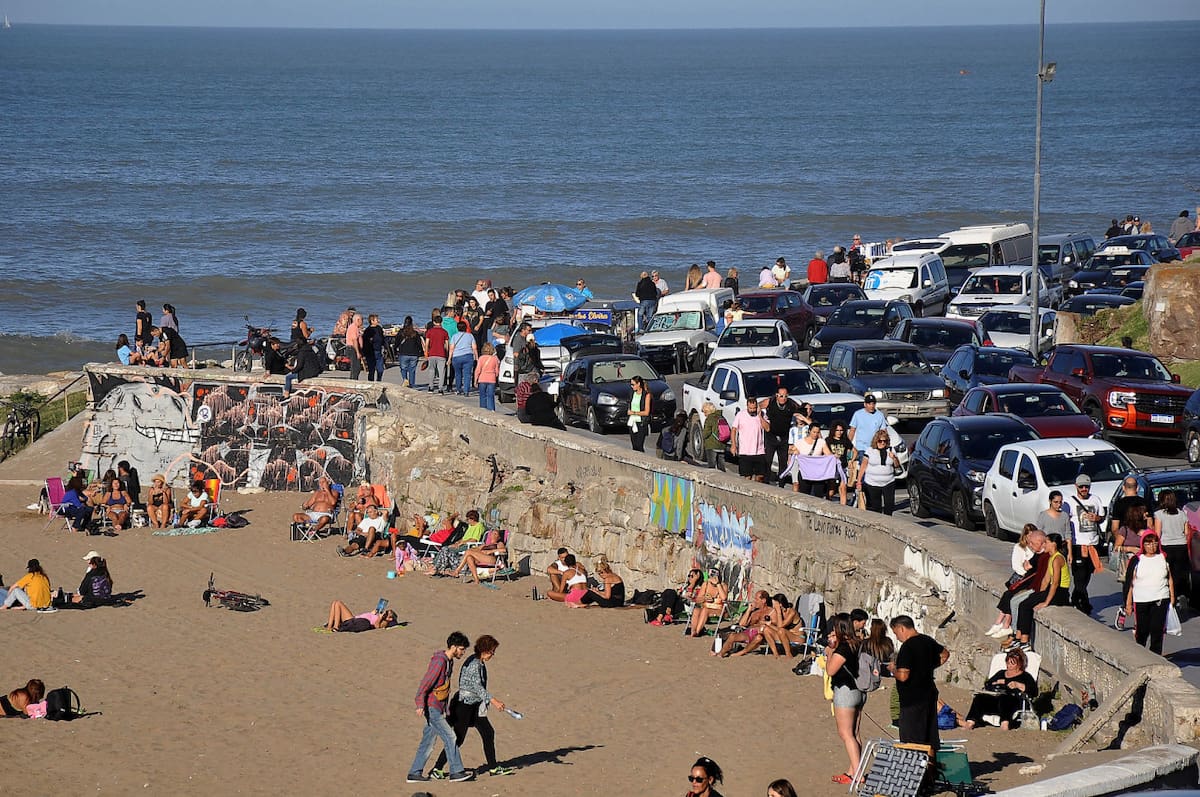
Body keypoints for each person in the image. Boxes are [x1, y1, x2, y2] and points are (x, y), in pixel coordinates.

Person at [430, 635, 513, 778]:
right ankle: (437, 768)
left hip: (474, 706)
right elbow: (478, 688)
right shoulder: (474, 664)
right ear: (484, 650)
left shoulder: (478, 662)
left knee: (488, 732)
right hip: (464, 707)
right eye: (492, 651)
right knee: (457, 739)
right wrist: (494, 701)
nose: (493, 654)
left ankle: (493, 768)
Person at [406, 631, 475, 783]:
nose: (463, 652)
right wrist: (420, 703)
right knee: (450, 736)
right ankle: (456, 771)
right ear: (453, 647)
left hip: (437, 707)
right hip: (432, 707)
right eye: (461, 649)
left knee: (428, 742)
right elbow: (426, 682)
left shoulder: (449, 662)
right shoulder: (440, 662)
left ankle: (414, 773)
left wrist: (445, 709)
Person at [891, 614, 949, 747]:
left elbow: (903, 676)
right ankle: (930, 760)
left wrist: (893, 670)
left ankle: (916, 760)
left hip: (912, 699)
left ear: (901, 628)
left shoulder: (907, 647)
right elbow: (945, 654)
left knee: (912, 739)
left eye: (896, 633)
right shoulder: (927, 640)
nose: (897, 637)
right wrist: (929, 666)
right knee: (929, 737)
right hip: (928, 694)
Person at [824, 614, 865, 785]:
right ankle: (852, 771)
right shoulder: (858, 643)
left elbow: (831, 670)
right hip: (859, 690)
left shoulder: (843, 648)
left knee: (846, 734)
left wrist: (829, 653)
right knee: (855, 733)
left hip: (845, 691)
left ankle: (858, 774)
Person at [1012, 532, 1069, 651]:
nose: (1044, 545)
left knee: (1025, 606)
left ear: (1053, 544)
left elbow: (1055, 583)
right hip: (1051, 590)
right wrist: (1038, 595)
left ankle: (1024, 641)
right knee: (1025, 603)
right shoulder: (1051, 557)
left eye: (1046, 542)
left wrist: (1045, 602)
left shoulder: (1057, 559)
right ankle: (1019, 637)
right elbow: (1046, 580)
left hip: (1060, 592)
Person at [960, 648, 1038, 730]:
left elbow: (1034, 691)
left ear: (1020, 664)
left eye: (1012, 663)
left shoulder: (1025, 676)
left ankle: (1005, 723)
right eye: (1007, 662)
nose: (1009, 665)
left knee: (1004, 698)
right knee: (979, 698)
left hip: (1014, 703)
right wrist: (996, 685)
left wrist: (1018, 685)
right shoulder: (1001, 673)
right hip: (997, 701)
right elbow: (988, 684)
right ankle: (970, 722)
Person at [1126, 532, 1174, 655]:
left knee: (1157, 629)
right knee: (1142, 630)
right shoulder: (1136, 560)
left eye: (1154, 543)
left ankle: (1156, 656)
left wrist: (1172, 597)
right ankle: (1140, 654)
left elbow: (1170, 578)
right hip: (1141, 599)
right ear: (1143, 545)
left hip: (1160, 598)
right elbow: (1130, 583)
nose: (1151, 546)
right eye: (1148, 543)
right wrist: (1128, 603)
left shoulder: (1164, 557)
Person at [1069, 474, 1106, 615]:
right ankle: (1084, 603)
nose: (1084, 489)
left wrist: (1097, 518)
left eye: (1086, 487)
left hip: (1093, 543)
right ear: (1076, 487)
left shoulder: (1095, 499)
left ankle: (1075, 598)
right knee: (1079, 575)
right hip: (1078, 544)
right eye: (1081, 487)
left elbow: (1102, 517)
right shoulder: (1070, 502)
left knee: (1087, 574)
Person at [1154, 491, 1190, 609]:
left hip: (1166, 546)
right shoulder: (1182, 513)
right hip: (1181, 545)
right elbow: (1187, 532)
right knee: (1180, 573)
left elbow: (1158, 534)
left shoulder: (1159, 514)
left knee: (1168, 574)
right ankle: (1182, 594)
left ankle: (1171, 596)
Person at [715, 589, 772, 657]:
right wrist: (748, 610)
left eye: (756, 599)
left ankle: (741, 652)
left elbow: (774, 625)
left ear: (763, 600)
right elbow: (742, 624)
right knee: (732, 636)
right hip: (748, 633)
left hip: (761, 635)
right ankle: (721, 653)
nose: (754, 601)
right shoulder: (754, 612)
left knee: (758, 638)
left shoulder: (771, 612)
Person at [762, 388, 800, 486]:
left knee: (783, 462)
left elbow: (801, 411)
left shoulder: (791, 404)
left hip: (784, 437)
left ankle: (781, 483)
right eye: (781, 396)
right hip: (771, 436)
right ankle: (765, 481)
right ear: (777, 395)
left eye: (785, 396)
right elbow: (758, 406)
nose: (783, 398)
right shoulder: (770, 401)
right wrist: (762, 416)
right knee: (768, 460)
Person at [858, 429, 900, 515]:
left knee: (889, 506)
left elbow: (897, 465)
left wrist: (894, 458)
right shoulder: (870, 451)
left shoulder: (891, 450)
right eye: (880, 441)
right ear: (876, 441)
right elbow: (863, 466)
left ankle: (887, 522)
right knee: (875, 508)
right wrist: (859, 481)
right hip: (872, 483)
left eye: (885, 441)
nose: (882, 443)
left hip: (888, 482)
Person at [730, 398, 768, 482]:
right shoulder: (740, 415)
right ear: (747, 406)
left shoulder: (762, 414)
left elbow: (767, 428)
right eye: (750, 408)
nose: (752, 410)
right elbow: (734, 430)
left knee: (760, 477)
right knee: (747, 477)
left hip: (759, 451)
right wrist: (733, 445)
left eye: (754, 408)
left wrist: (760, 416)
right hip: (745, 451)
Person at [686, 568, 728, 637]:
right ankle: (693, 631)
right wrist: (704, 598)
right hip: (705, 608)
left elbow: (724, 598)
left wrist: (718, 584)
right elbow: (698, 599)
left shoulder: (723, 586)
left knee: (705, 610)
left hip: (719, 610)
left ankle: (697, 632)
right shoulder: (706, 584)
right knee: (696, 610)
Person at [848, 394, 888, 460]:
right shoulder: (858, 414)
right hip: (861, 449)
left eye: (873, 404)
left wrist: (885, 445)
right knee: (863, 465)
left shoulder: (880, 415)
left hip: (875, 448)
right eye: (869, 404)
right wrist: (848, 445)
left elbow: (883, 432)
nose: (872, 406)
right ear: (865, 404)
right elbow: (852, 431)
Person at [322, 600, 397, 632]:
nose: (385, 613)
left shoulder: (384, 622)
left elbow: (377, 626)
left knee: (338, 603)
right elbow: (369, 616)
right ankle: (330, 625)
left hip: (354, 621)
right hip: (354, 618)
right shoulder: (378, 615)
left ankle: (336, 627)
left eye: (387, 614)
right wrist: (374, 612)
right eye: (386, 612)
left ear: (390, 619)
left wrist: (380, 618)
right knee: (335, 602)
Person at [448, 321, 477, 396]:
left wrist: (449, 359)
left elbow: (451, 348)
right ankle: (466, 391)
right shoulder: (470, 336)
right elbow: (474, 348)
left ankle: (458, 389)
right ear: (466, 328)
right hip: (468, 356)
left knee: (458, 374)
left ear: (457, 328)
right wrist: (476, 357)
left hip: (456, 357)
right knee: (467, 374)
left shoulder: (454, 336)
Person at [394, 316, 424, 388]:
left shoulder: (401, 332)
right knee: (412, 370)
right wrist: (421, 352)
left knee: (403, 368)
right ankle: (412, 384)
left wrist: (395, 350)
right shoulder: (415, 333)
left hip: (403, 353)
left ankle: (405, 379)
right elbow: (419, 343)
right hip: (414, 353)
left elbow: (397, 342)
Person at [424, 318, 450, 393]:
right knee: (441, 372)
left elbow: (427, 344)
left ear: (434, 322)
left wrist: (426, 353)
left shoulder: (430, 331)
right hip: (441, 354)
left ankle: (431, 387)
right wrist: (447, 354)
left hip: (432, 353)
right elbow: (447, 345)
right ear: (441, 322)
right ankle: (440, 389)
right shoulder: (444, 332)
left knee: (431, 370)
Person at [700, 401, 727, 472]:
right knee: (721, 466)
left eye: (705, 412)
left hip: (711, 445)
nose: (705, 414)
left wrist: (703, 437)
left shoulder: (710, 419)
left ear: (709, 411)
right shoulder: (721, 417)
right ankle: (723, 477)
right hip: (721, 444)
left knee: (711, 466)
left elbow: (706, 433)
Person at [628, 375, 652, 452]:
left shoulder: (646, 395)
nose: (632, 386)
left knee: (639, 445)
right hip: (632, 421)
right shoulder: (632, 393)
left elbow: (646, 412)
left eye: (633, 384)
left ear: (638, 384)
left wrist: (634, 413)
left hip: (641, 422)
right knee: (634, 445)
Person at [474, 342, 500, 411]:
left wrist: (475, 380)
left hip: (482, 379)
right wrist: (495, 376)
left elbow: (478, 370)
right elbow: (497, 371)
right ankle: (491, 410)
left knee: (482, 396)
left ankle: (483, 410)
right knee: (490, 396)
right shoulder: (495, 359)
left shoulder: (481, 358)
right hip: (491, 379)